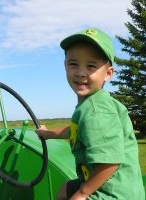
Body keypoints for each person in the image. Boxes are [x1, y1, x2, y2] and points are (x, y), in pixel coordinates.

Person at [36, 28, 145, 200]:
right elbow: (75, 129)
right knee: (65, 189)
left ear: (108, 73)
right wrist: (47, 134)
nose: (80, 72)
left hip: (113, 193)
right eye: (73, 64)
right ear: (65, 66)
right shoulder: (90, 105)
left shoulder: (97, 110)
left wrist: (82, 193)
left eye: (91, 66)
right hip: (110, 185)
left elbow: (110, 161)